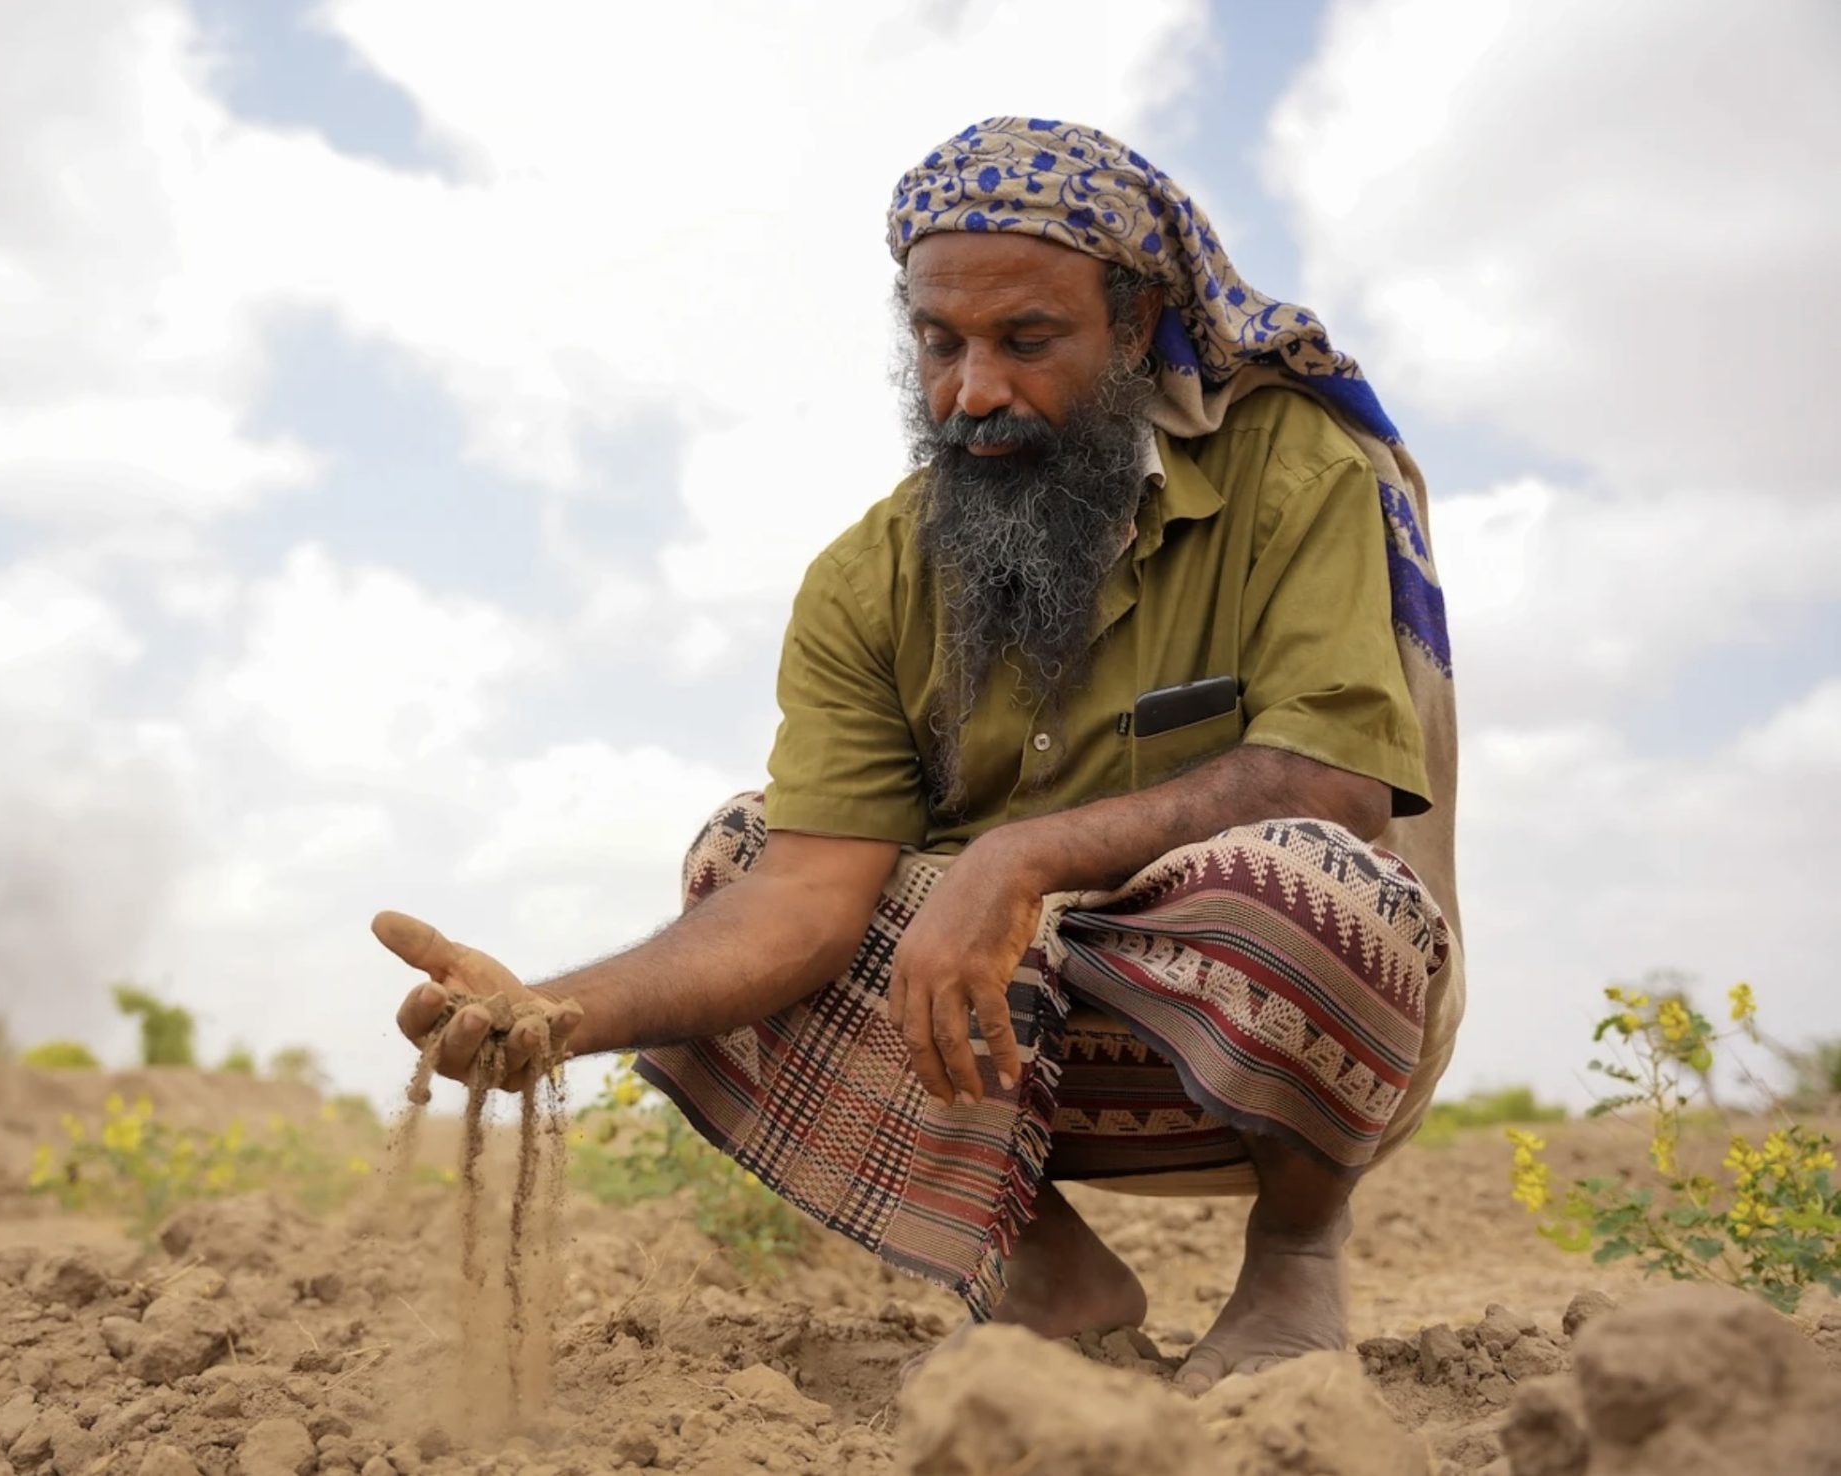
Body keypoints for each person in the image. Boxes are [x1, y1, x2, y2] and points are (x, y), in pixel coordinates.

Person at [378, 117, 1462, 1395]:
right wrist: (556, 1018)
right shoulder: (868, 575)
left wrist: (1019, 857)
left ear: (1135, 326)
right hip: (1001, 1050)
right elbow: (801, 901)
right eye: (938, 343)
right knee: (740, 852)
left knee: (1324, 881)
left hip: (1268, 1035)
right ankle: (1045, 1275)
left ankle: (1292, 1257)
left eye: (1027, 341)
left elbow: (1333, 783)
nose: (972, 392)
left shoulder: (1296, 473)